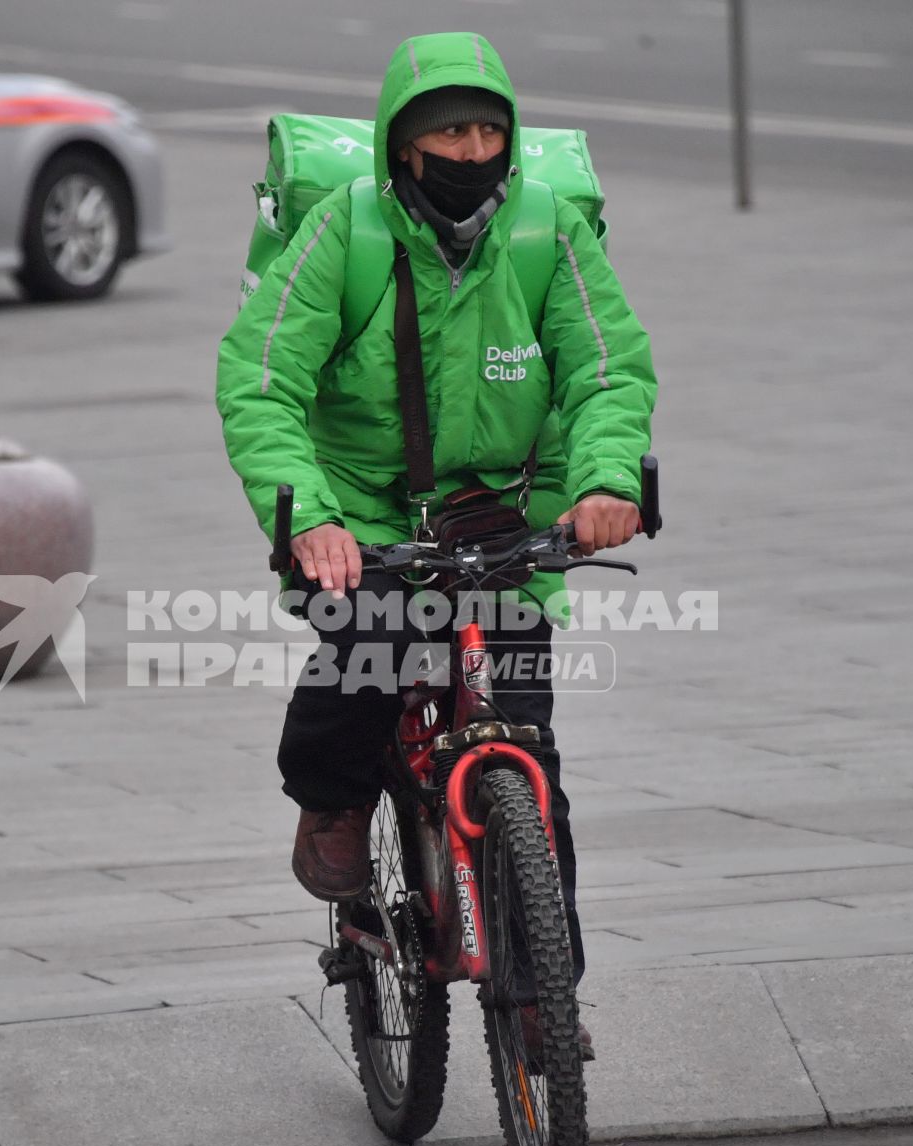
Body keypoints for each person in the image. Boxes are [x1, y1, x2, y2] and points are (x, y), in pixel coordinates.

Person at [217, 32, 657, 1054]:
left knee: (530, 764)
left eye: (488, 128)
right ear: (402, 148)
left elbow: (607, 370)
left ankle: (548, 990)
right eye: (447, 131)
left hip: (509, 520)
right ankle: (332, 801)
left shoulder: (548, 235)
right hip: (365, 519)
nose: (472, 148)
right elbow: (263, 377)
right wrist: (310, 515)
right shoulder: (349, 232)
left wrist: (601, 482)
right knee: (367, 662)